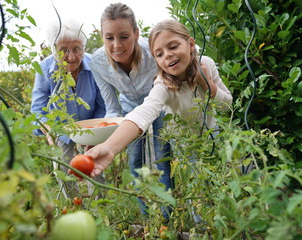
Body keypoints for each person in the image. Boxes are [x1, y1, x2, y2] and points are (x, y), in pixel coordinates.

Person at [85, 19, 233, 219]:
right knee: (196, 189)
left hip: (211, 135)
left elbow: (227, 105)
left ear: (190, 44)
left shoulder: (207, 64)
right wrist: (111, 147)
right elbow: (144, 111)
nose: (168, 55)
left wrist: (206, 83)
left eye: (173, 46)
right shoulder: (163, 83)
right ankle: (201, 225)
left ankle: (223, 220)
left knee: (221, 185)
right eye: (159, 54)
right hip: (184, 142)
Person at [89, 3, 172, 219]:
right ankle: (147, 217)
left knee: (162, 156)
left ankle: (167, 215)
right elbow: (112, 107)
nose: (117, 45)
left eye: (124, 36)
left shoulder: (152, 52)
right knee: (135, 160)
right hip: (129, 109)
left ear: (136, 34)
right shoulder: (98, 62)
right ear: (102, 37)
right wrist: (103, 138)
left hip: (158, 103)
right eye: (109, 38)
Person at [31, 19, 106, 200]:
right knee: (62, 168)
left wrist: (95, 134)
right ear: (53, 49)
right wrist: (49, 133)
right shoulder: (43, 70)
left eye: (77, 49)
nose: (71, 57)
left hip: (91, 124)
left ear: (83, 48)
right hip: (61, 127)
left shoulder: (94, 65)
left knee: (95, 167)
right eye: (63, 50)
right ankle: (73, 207)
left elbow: (102, 105)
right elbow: (38, 113)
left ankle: (101, 210)